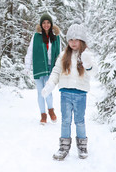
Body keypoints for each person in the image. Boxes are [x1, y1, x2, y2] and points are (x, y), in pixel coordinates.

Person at [41, 22, 96, 160]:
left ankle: (82, 146)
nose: (73, 42)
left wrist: (88, 64)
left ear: (82, 40)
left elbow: (94, 73)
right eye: (71, 39)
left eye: (76, 39)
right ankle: (63, 147)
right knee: (65, 121)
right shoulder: (63, 55)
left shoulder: (87, 55)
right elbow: (56, 71)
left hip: (80, 94)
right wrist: (49, 85)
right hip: (65, 93)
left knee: (79, 121)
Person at [25, 13, 61, 124]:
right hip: (39, 67)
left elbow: (59, 54)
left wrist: (60, 68)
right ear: (41, 24)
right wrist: (27, 66)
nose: (46, 25)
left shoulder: (56, 37)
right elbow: (30, 51)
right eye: (44, 23)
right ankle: (43, 114)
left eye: (48, 23)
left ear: (51, 24)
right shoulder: (36, 36)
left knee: (48, 91)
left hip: (51, 68)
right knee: (40, 92)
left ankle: (51, 110)